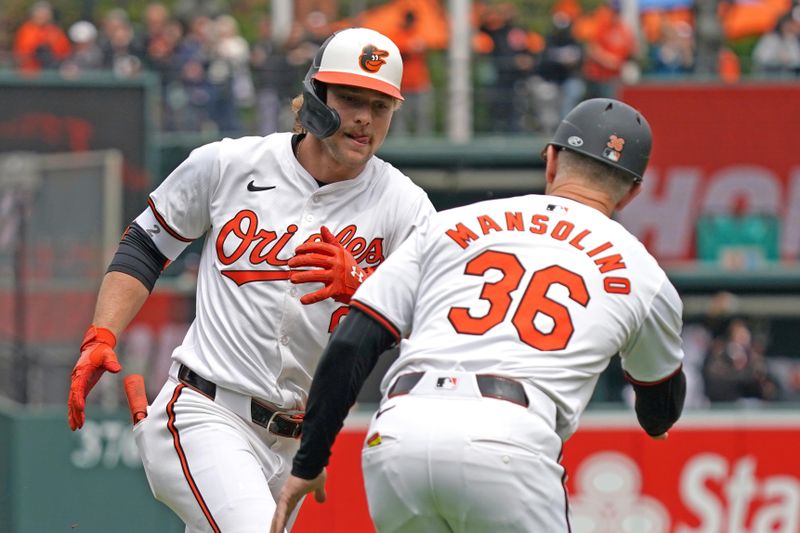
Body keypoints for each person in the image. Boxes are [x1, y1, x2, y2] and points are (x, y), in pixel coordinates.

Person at [67, 27, 434, 532]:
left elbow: (439, 321)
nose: (365, 118)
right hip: (205, 411)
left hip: (294, 442)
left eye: (381, 105)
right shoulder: (228, 164)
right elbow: (146, 246)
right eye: (351, 99)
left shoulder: (405, 204)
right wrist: (102, 333)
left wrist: (368, 285)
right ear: (316, 98)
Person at [271, 98, 687, 533]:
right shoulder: (642, 272)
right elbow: (659, 406)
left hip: (399, 434)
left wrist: (310, 459)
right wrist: (658, 421)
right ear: (634, 191)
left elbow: (353, 342)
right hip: (509, 438)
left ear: (551, 159)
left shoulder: (452, 223)